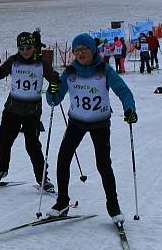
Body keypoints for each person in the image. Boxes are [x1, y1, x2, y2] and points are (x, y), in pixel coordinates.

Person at [44, 33, 136, 223]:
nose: (80, 53)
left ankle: (113, 207)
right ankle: (62, 203)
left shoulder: (105, 70)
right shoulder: (69, 72)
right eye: (76, 50)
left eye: (84, 49)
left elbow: (124, 91)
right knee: (63, 158)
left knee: (103, 164)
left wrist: (129, 109)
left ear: (92, 50)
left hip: (100, 123)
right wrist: (51, 91)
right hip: (76, 122)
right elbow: (55, 100)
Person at [0, 31, 61, 192]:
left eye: (28, 47)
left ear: (33, 47)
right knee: (4, 141)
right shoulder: (13, 61)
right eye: (21, 48)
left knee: (33, 145)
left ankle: (42, 177)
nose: (25, 51)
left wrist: (55, 83)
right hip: (12, 109)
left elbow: (54, 77)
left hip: (32, 111)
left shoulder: (41, 63)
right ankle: (1, 169)